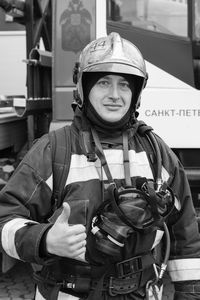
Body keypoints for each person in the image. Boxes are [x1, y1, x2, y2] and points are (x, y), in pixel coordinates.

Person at [0, 32, 200, 300]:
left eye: (125, 85)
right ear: (84, 88)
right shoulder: (54, 150)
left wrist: (188, 295)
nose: (115, 95)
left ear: (136, 93)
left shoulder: (157, 153)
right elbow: (5, 219)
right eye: (104, 82)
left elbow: (185, 237)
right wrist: (45, 239)